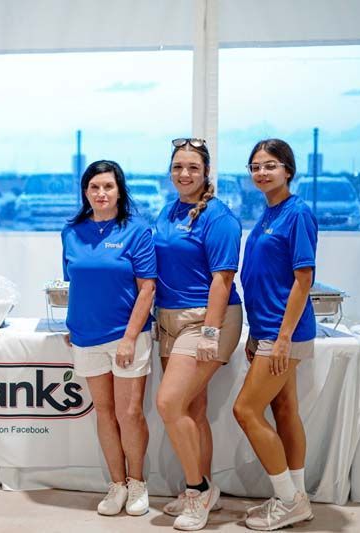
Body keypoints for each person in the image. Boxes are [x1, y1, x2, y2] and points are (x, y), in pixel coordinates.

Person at [153, 138, 243, 530]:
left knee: (169, 403)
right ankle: (209, 490)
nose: (184, 174)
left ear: (207, 172)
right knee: (192, 409)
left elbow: (223, 280)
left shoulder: (219, 218)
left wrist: (209, 332)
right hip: (169, 319)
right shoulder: (169, 210)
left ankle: (196, 490)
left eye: (192, 167)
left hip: (208, 319)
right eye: (178, 167)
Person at [62, 160, 156, 517]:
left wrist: (130, 338)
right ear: (86, 192)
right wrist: (75, 324)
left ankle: (137, 484)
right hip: (86, 337)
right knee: (104, 413)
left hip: (126, 336)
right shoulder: (72, 232)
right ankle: (116, 485)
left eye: (108, 187)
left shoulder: (136, 231)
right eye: (94, 188)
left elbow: (147, 289)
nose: (101, 194)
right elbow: (75, 282)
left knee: (129, 413)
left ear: (120, 191)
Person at [234, 139, 316, 530]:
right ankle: (296, 497)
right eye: (255, 167)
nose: (261, 172)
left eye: (269, 165)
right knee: (284, 410)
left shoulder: (297, 213)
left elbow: (303, 280)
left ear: (288, 169)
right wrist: (255, 332)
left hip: (285, 334)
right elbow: (261, 279)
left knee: (245, 410)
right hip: (266, 330)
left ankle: (288, 499)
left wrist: (282, 339)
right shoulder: (269, 214)